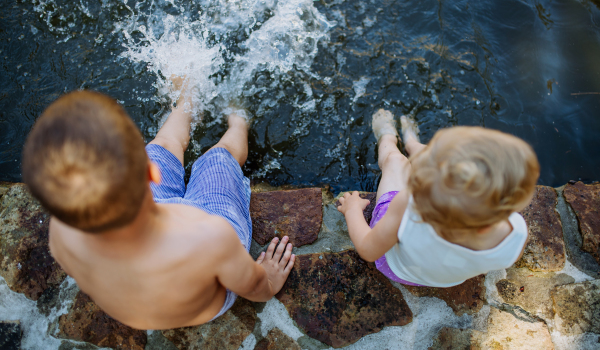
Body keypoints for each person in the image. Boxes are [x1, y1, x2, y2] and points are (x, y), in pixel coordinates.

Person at [22, 76, 295, 329]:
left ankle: (187, 100)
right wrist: (269, 280)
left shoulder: (63, 233)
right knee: (217, 157)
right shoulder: (212, 238)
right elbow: (255, 289)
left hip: (141, 304)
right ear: (149, 172)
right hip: (200, 284)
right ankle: (238, 121)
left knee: (167, 147)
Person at [337, 109, 538, 287]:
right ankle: (412, 142)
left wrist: (352, 210)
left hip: (397, 269)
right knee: (438, 159)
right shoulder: (515, 234)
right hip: (447, 280)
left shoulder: (408, 208)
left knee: (395, 160)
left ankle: (388, 138)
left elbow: (368, 250)